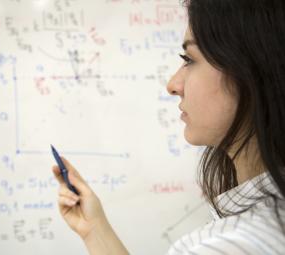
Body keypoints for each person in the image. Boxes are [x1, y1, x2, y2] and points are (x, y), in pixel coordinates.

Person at [51, 0, 285, 254]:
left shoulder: (234, 245)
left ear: (251, 70)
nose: (173, 85)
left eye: (190, 59)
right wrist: (95, 228)